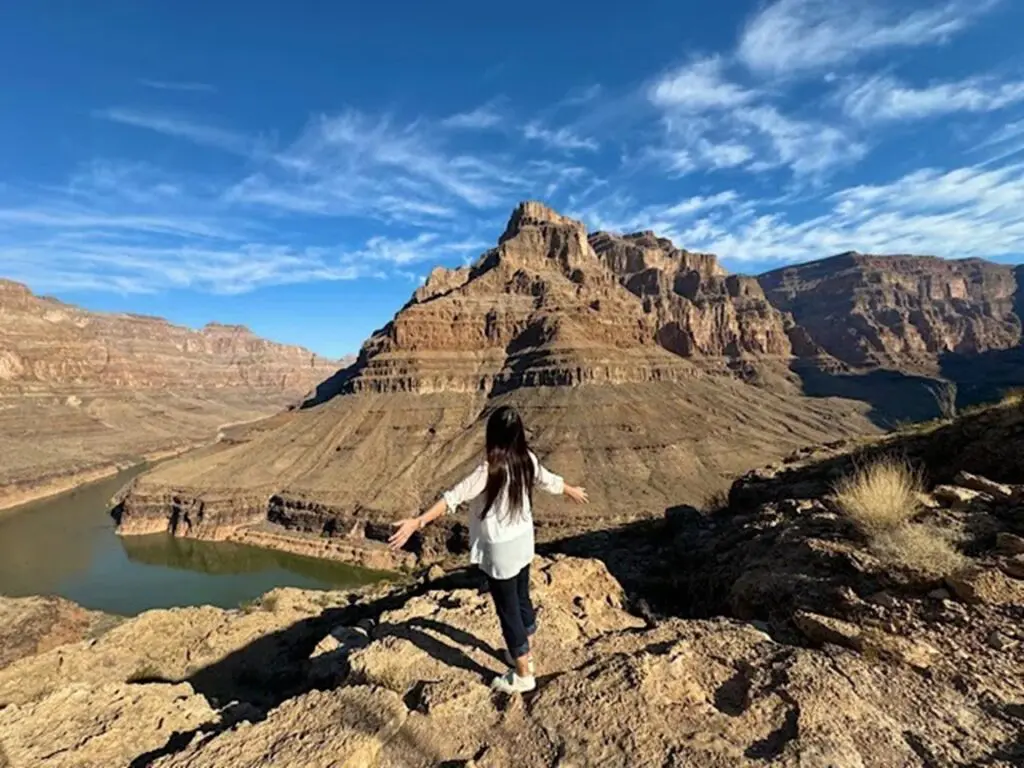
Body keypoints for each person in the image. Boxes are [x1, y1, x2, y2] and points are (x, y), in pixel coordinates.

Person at [388, 405, 589, 694]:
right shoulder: (526, 459)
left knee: (508, 612)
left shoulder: (489, 468)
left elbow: (452, 498)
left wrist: (418, 522)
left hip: (501, 549)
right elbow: (548, 480)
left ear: (492, 434)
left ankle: (522, 674)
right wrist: (570, 490)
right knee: (522, 598)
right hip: (523, 541)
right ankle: (525, 655)